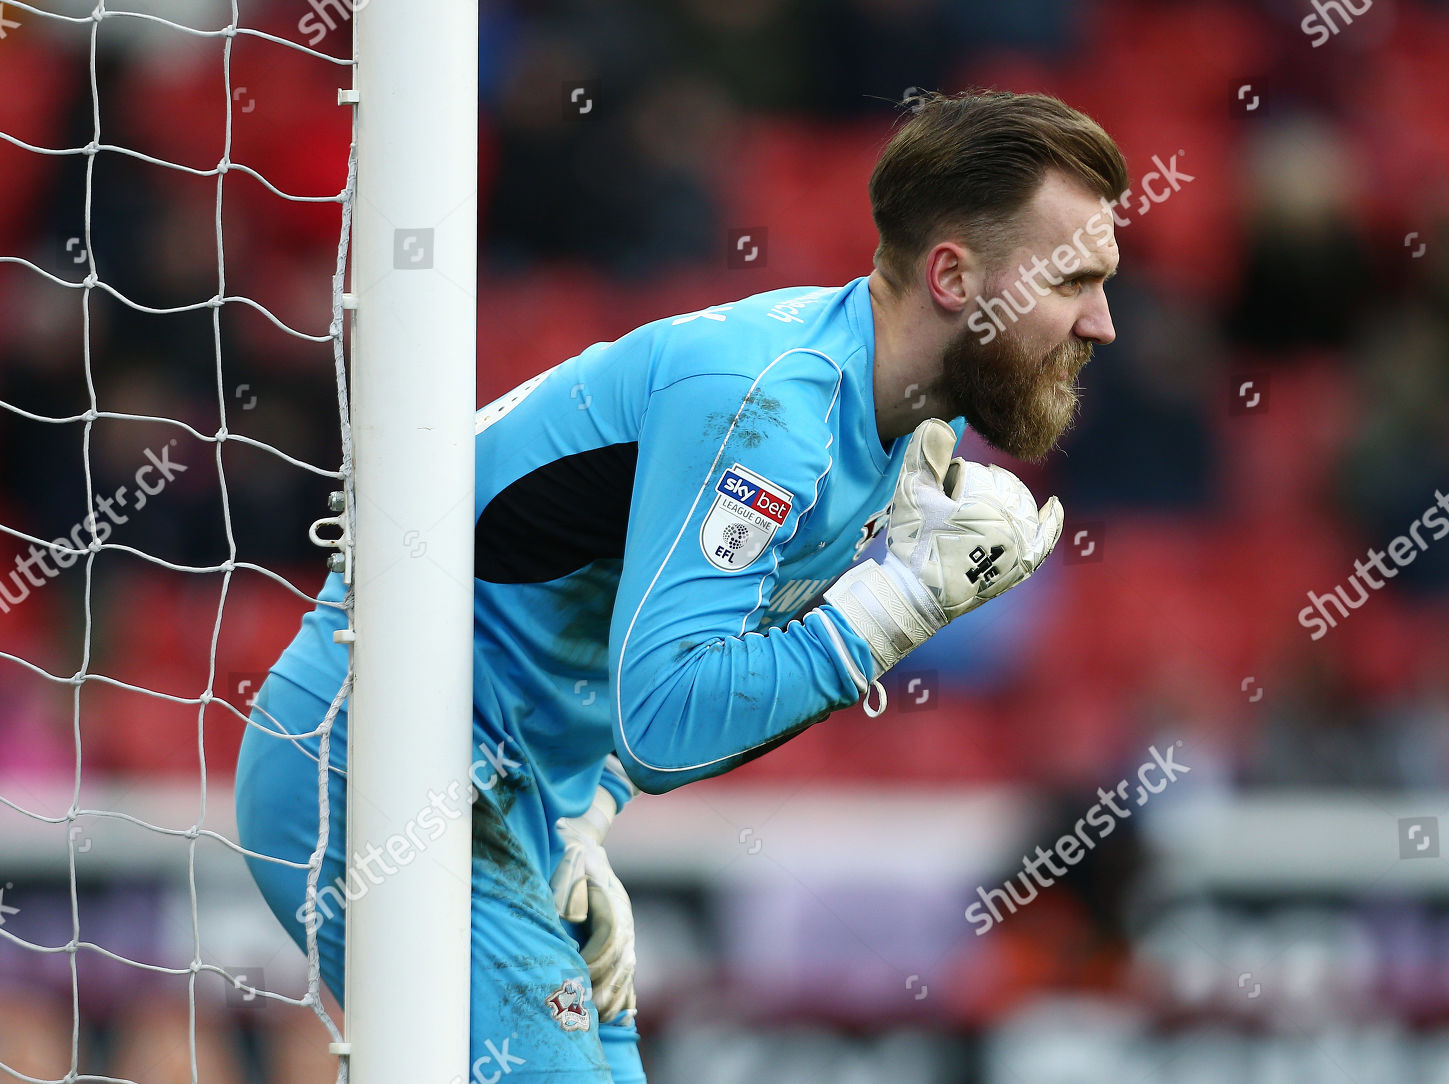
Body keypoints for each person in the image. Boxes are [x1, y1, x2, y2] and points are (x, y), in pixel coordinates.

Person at [234, 88, 1125, 1082]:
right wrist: (895, 609)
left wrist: (591, 815)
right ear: (956, 277)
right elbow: (663, 717)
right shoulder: (770, 405)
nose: (1103, 321)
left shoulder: (915, 423)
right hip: (376, 763)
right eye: (1074, 281)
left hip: (520, 800)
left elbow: (653, 655)